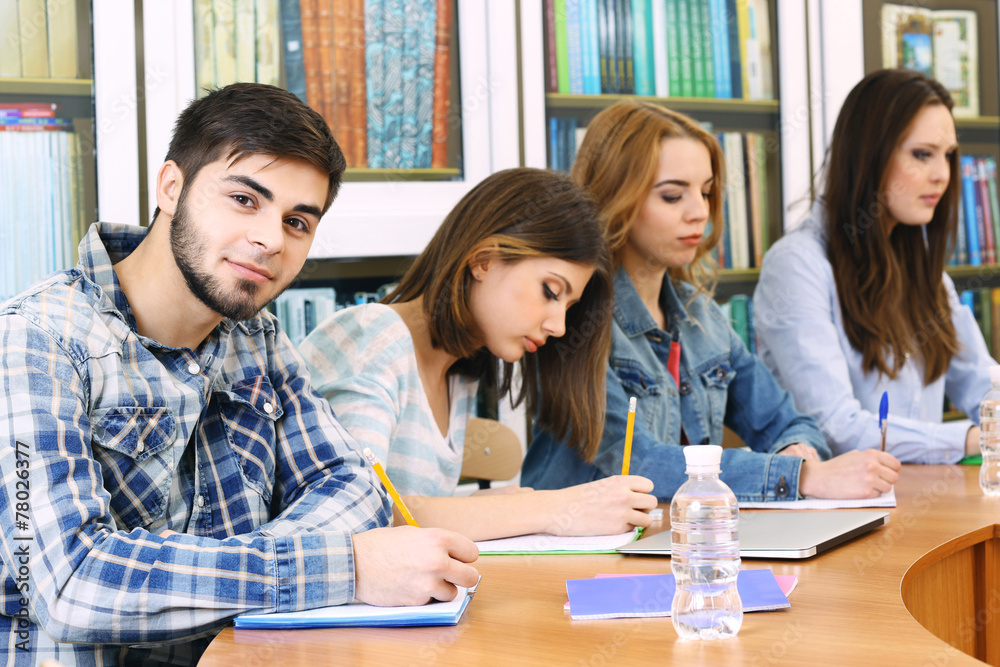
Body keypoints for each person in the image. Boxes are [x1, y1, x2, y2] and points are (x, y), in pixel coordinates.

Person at [0, 83, 478, 665]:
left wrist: (263, 571)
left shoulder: (259, 339)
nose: (270, 240)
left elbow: (354, 488)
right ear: (171, 187)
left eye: (298, 222)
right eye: (246, 200)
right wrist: (346, 568)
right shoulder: (36, 339)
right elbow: (71, 586)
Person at [521, 99, 901, 502]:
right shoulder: (569, 323)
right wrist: (799, 477)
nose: (700, 212)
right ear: (616, 199)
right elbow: (639, 464)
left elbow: (786, 420)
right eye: (672, 196)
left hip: (678, 541)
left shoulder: (702, 317)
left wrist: (797, 452)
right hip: (574, 556)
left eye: (705, 192)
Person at [299, 167, 657, 541]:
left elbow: (412, 515)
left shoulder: (459, 375)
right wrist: (549, 509)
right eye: (551, 292)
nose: (560, 327)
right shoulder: (372, 335)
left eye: (569, 306)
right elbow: (360, 511)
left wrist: (496, 508)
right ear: (483, 260)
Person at [754, 69, 996, 463]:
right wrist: (976, 437)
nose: (942, 175)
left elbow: (984, 384)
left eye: (948, 155)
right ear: (869, 154)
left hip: (924, 503)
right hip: (846, 516)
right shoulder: (797, 266)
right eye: (922, 154)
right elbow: (837, 428)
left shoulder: (923, 268)